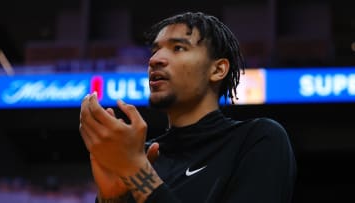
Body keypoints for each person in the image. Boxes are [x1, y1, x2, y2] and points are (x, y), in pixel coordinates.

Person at [79, 11, 297, 203]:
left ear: (218, 70)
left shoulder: (258, 139)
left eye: (178, 48)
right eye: (155, 50)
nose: (155, 59)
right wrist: (111, 198)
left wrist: (136, 171)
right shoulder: (144, 156)